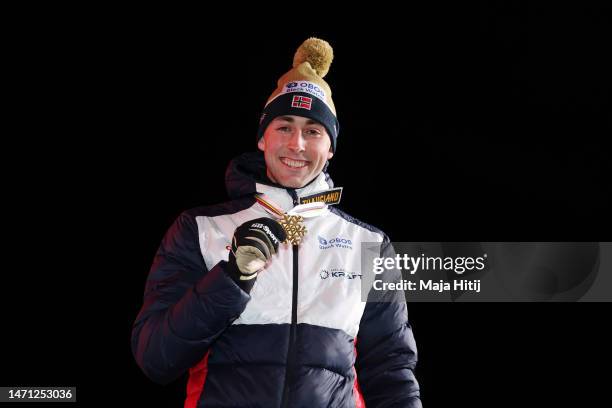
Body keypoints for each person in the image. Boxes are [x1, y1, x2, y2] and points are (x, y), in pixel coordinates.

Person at [131, 37, 422, 407]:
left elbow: (392, 370)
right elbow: (155, 357)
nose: (297, 144)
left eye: (313, 131)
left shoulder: (368, 243)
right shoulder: (199, 229)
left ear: (330, 147)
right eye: (284, 126)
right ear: (262, 138)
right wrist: (231, 278)